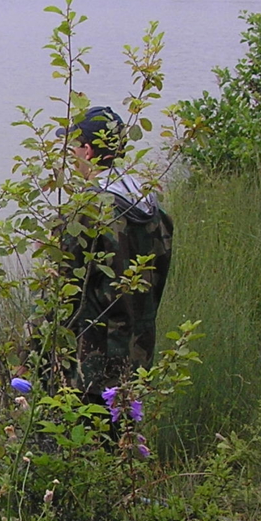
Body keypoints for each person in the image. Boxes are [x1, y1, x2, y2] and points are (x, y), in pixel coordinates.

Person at [55, 106, 174, 397]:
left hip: (90, 363)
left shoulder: (85, 209)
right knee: (123, 434)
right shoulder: (151, 205)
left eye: (73, 147)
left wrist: (27, 357)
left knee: (85, 437)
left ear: (87, 151)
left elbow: (59, 291)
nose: (70, 156)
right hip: (138, 352)